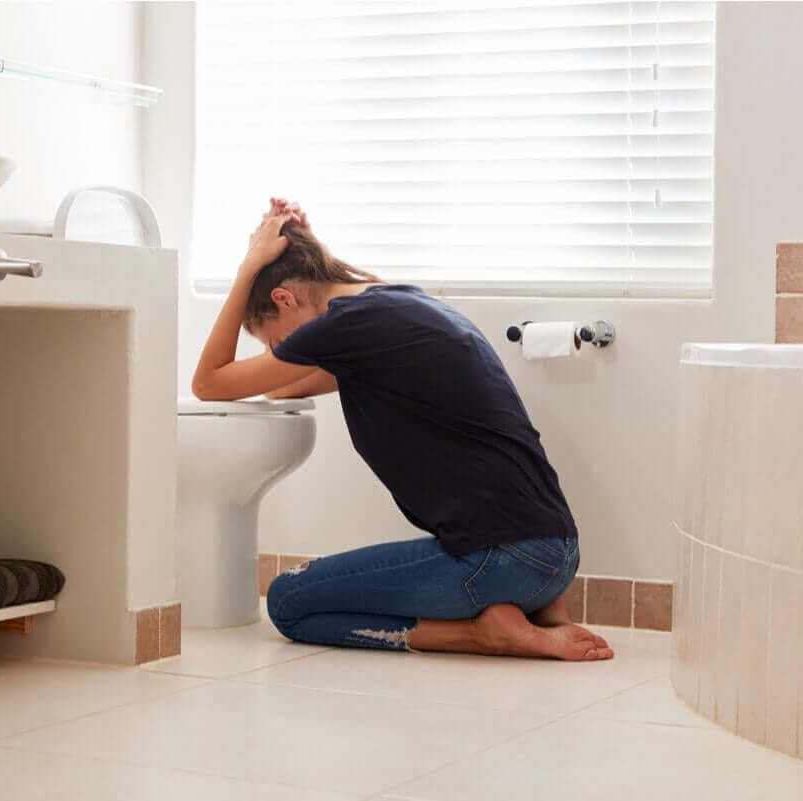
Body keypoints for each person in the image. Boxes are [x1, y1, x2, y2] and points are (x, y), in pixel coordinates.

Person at [192, 198, 613, 661]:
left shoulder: (342, 326)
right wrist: (295, 246)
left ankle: (483, 634)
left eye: (275, 340)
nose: (282, 350)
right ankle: (538, 616)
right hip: (556, 556)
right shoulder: (397, 303)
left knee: (288, 601)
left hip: (500, 560)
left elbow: (208, 382)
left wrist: (249, 267)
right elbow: (281, 389)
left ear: (284, 299)